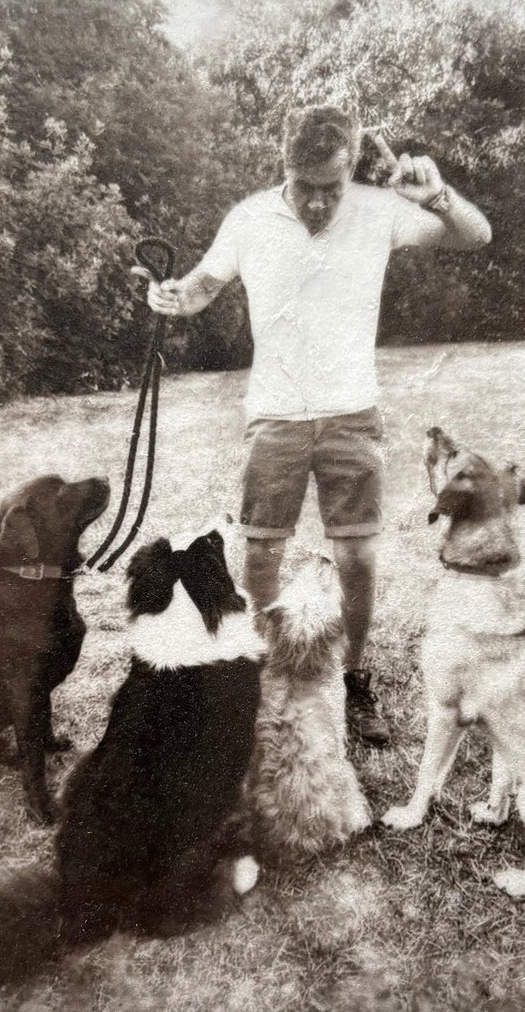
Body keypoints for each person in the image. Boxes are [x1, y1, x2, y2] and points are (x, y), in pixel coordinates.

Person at [144, 105, 491, 746]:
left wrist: (438, 196)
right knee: (261, 552)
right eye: (303, 186)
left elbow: (476, 235)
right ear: (285, 166)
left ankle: (353, 679)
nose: (316, 202)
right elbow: (199, 288)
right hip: (274, 414)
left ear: (351, 166)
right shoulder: (249, 218)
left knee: (356, 557)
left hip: (351, 413)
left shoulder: (380, 210)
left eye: (330, 187)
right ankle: (266, 672)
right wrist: (168, 296)